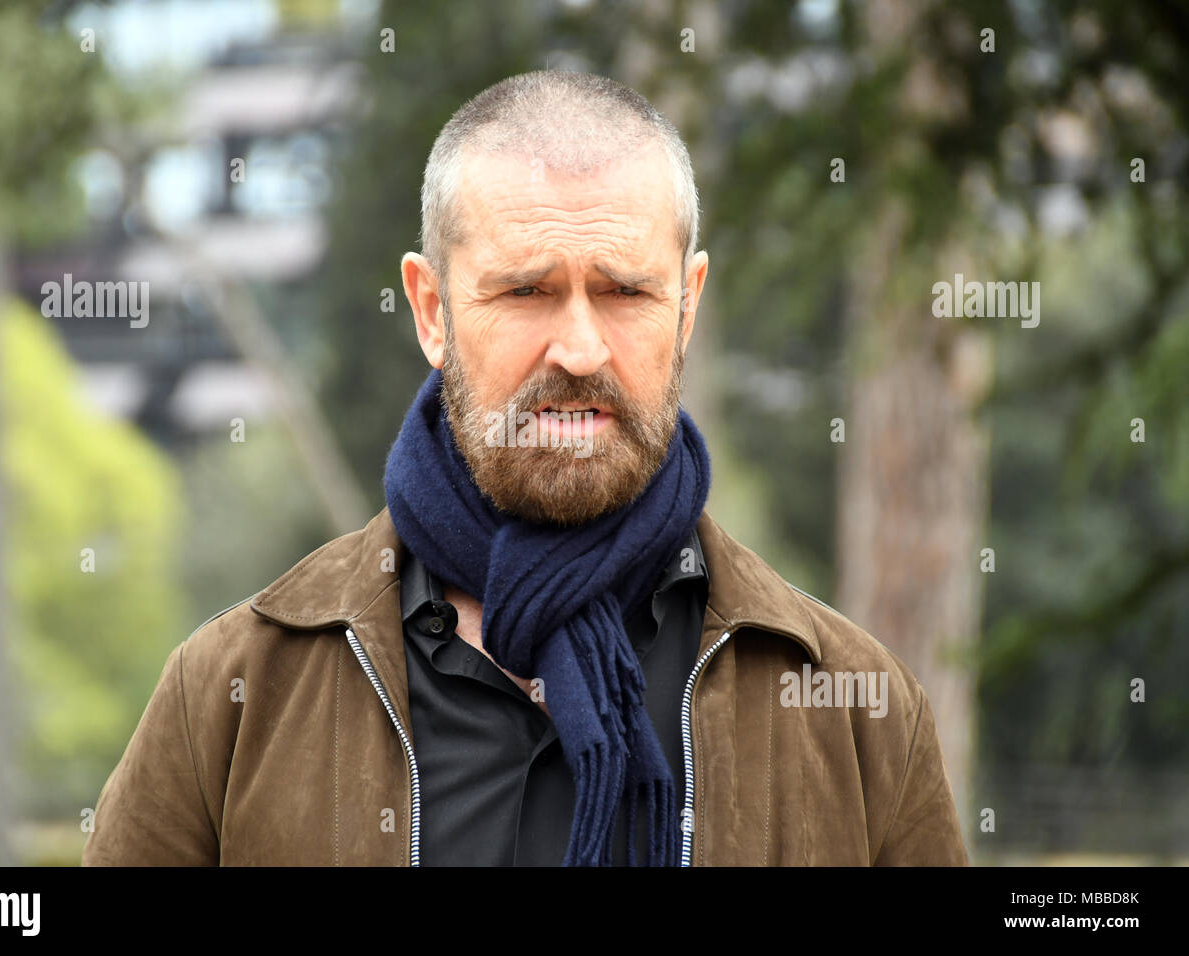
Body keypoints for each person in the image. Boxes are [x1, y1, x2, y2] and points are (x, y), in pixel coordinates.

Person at [83, 70, 968, 867]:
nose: (580, 348)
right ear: (431, 310)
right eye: (525, 291)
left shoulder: (856, 715)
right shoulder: (232, 701)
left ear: (688, 306)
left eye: (625, 292)